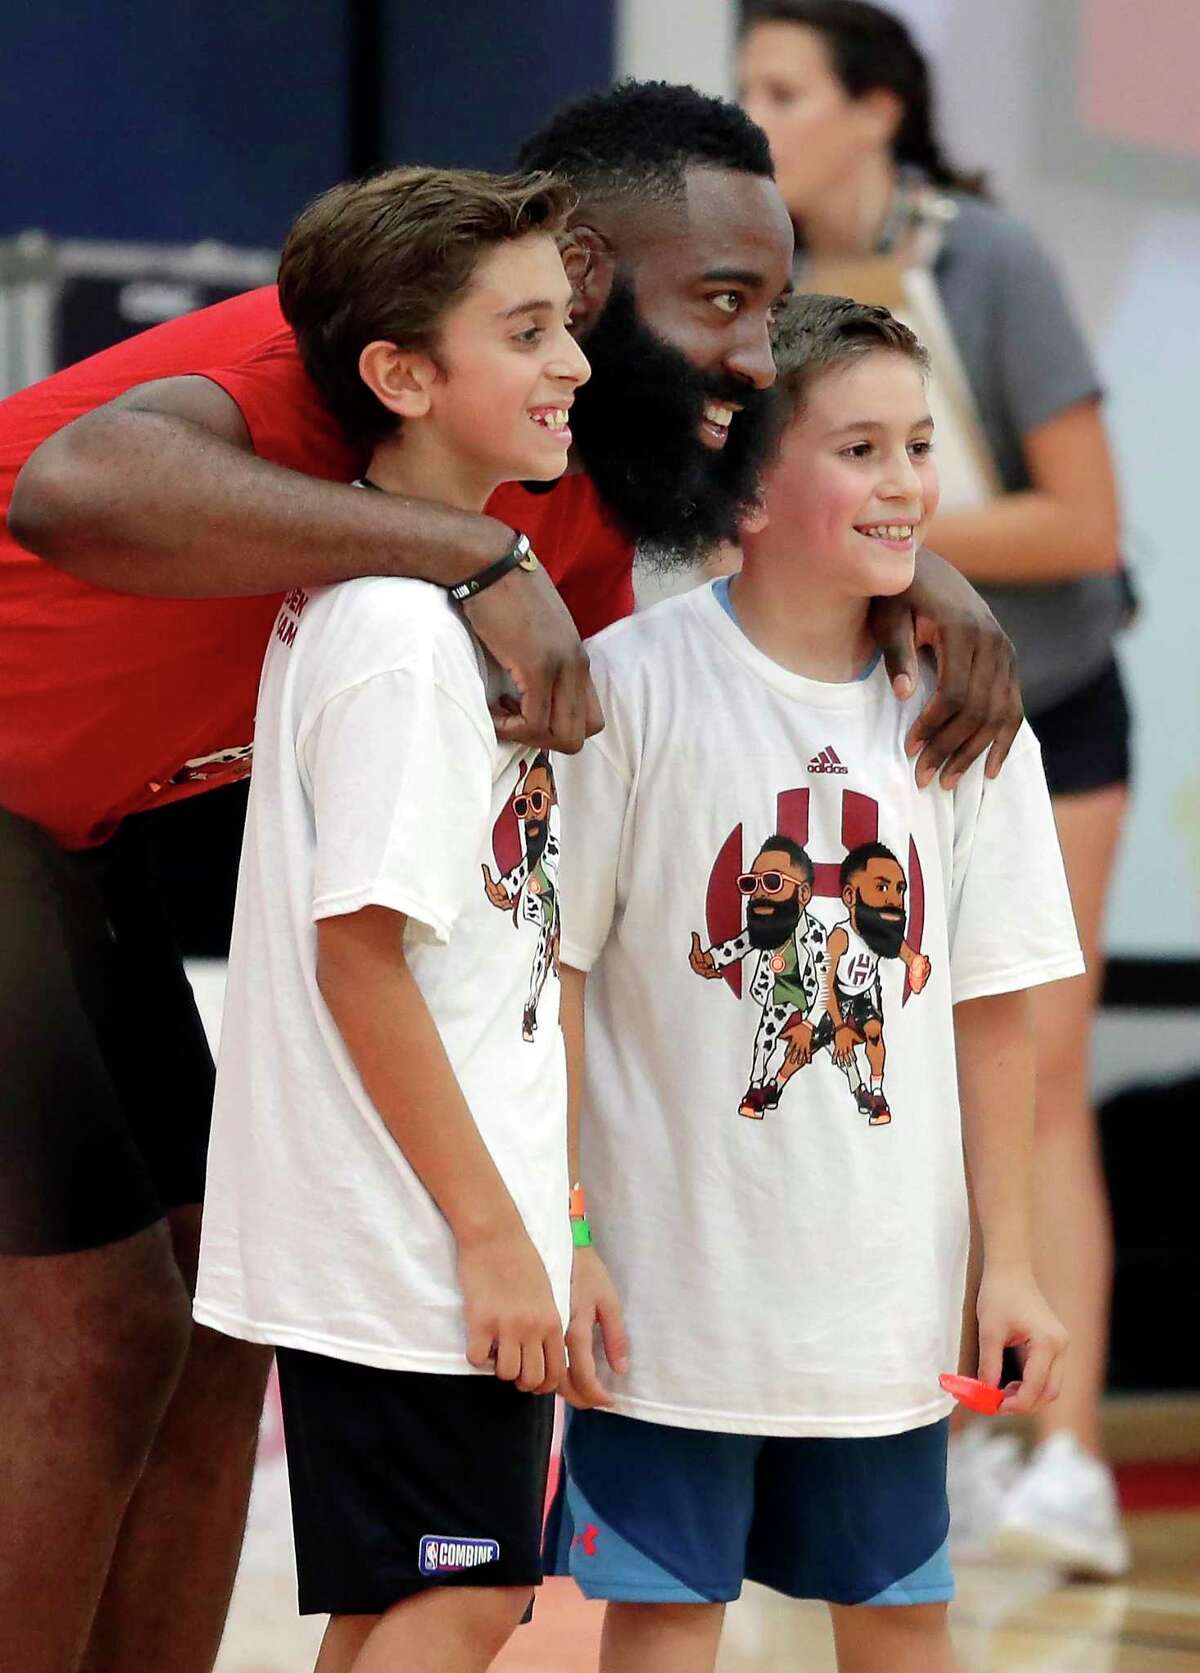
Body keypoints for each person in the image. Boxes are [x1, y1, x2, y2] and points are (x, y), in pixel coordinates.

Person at [0, 79, 1021, 1672]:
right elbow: (69, 489)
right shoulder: (350, 374)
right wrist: (466, 558)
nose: (755, 356)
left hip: (86, 829)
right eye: (727, 304)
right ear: (578, 292)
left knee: (210, 1329)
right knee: (103, 1330)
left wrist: (918, 562)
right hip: (20, 813)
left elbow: (794, 460)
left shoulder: (588, 461)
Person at [546, 294, 1076, 1673]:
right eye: (860, 447)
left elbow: (996, 1002)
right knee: (665, 1617)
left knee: (903, 1620)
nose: (905, 481)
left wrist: (1004, 1259)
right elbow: (560, 981)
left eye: (918, 444)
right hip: (670, 1294)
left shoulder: (966, 713)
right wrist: (576, 1233)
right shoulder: (630, 686)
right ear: (749, 480)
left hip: (882, 1304)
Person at [738, 1, 1131, 1576]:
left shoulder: (991, 259)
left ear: (880, 109)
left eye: (784, 89)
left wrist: (903, 528)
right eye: (743, 88)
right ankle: (915, 1415)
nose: (754, 117)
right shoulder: (750, 291)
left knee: (1032, 1065)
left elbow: (1088, 523)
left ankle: (1069, 1448)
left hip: (1041, 707)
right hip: (848, 717)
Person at [193, 163, 592, 1673]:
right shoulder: (400, 634)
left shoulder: (399, 587)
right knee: (467, 1591)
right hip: (417, 1235)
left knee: (406, 1598)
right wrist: (496, 1239)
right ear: (403, 374)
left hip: (421, 1219)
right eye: (530, 330)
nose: (574, 363)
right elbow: (356, 950)